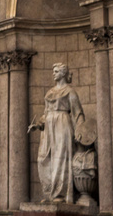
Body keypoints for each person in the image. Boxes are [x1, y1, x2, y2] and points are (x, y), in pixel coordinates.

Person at [28, 63, 85, 203]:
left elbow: (78, 114)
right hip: (48, 128)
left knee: (60, 159)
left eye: (56, 71)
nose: (53, 74)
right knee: (44, 159)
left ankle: (59, 194)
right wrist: (37, 125)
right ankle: (49, 193)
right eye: (53, 71)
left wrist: (81, 131)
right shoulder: (50, 92)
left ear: (63, 73)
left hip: (62, 125)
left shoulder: (70, 91)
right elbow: (45, 113)